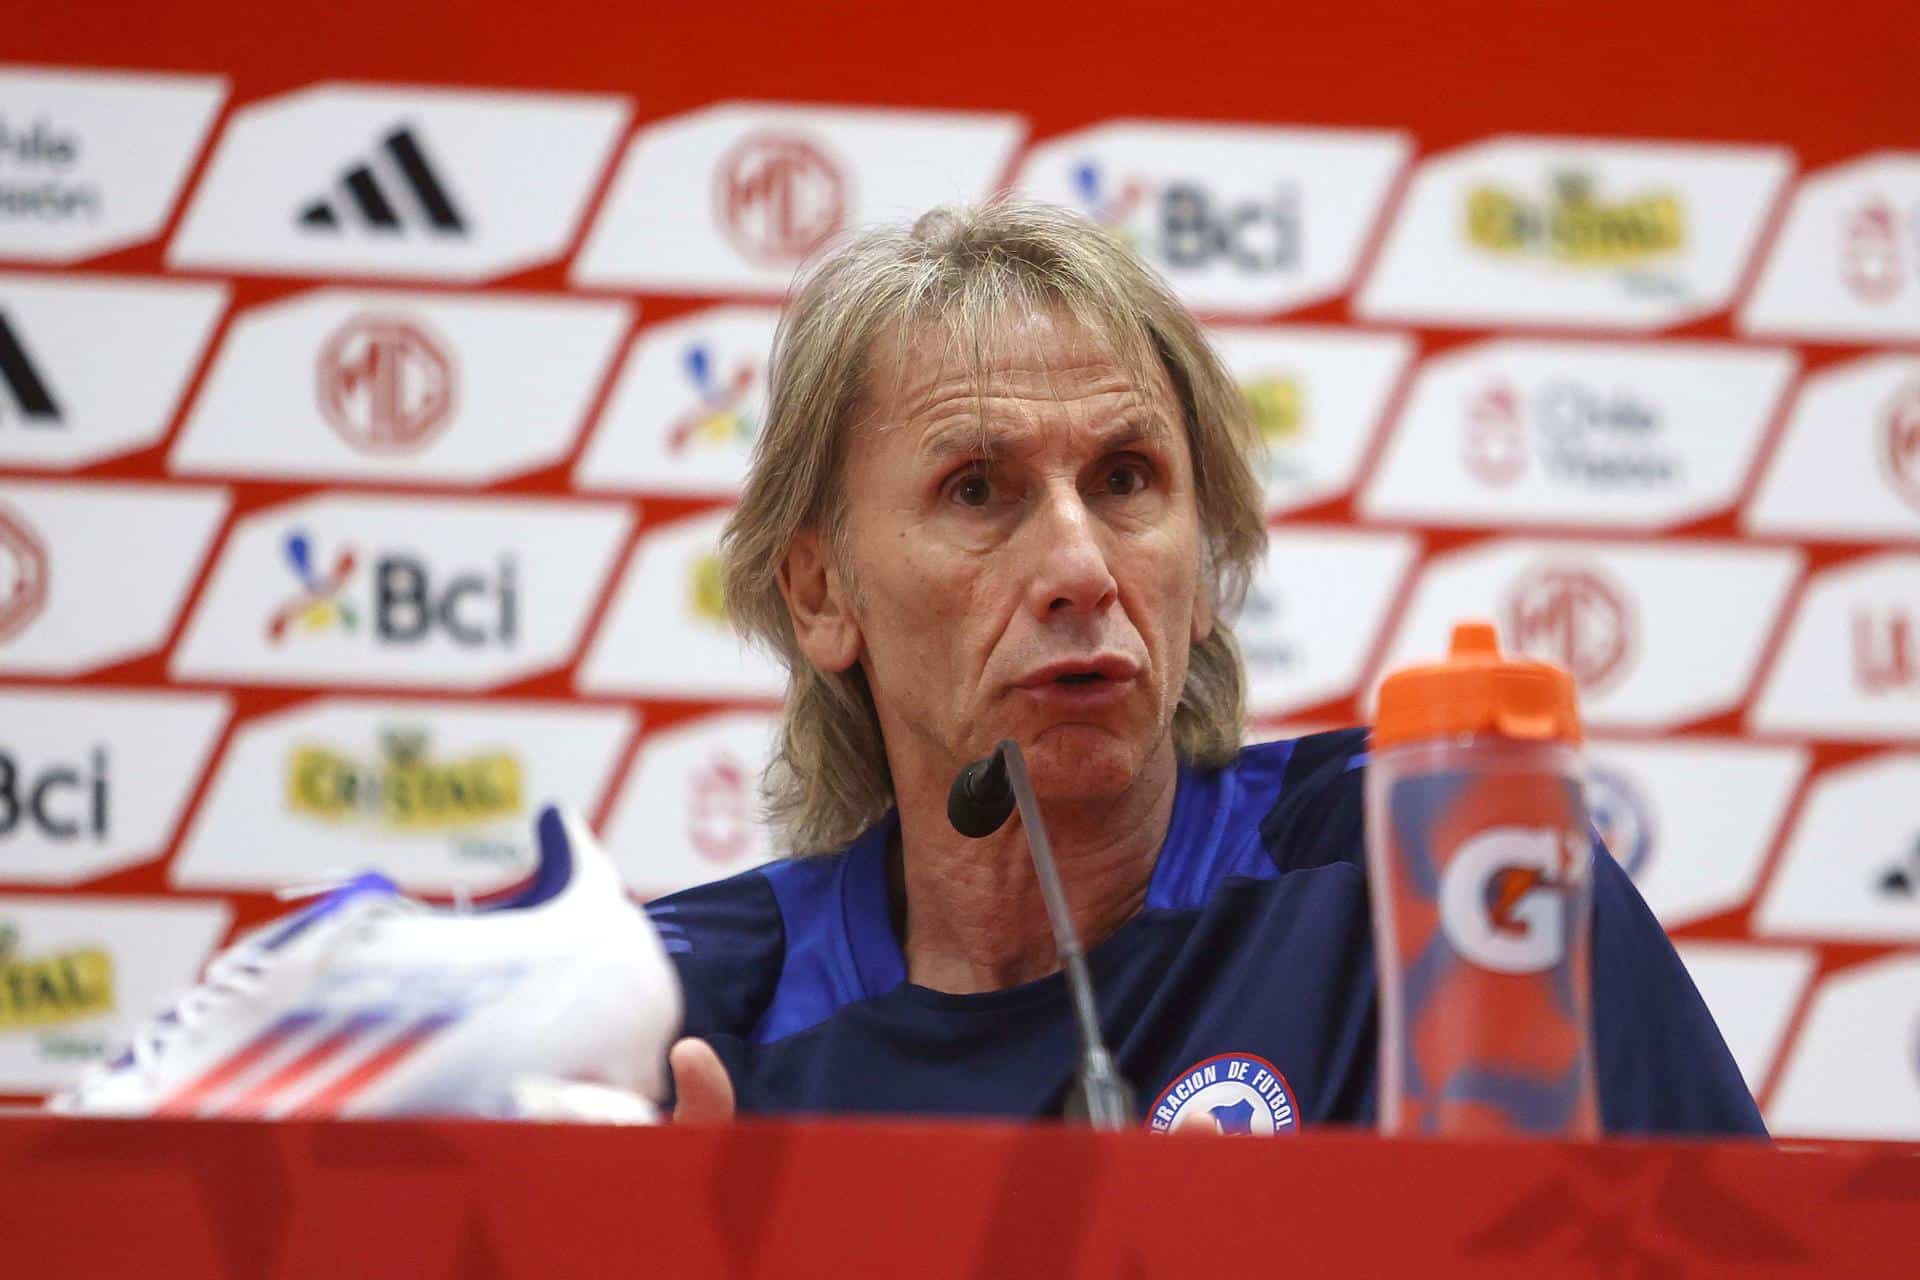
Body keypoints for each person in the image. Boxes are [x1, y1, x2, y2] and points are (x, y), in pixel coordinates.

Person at [652, 198, 1763, 1135]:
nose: (1080, 566)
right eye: (978, 489)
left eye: (1127, 478)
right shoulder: (694, 1011)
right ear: (820, 592)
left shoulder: (1439, 864)